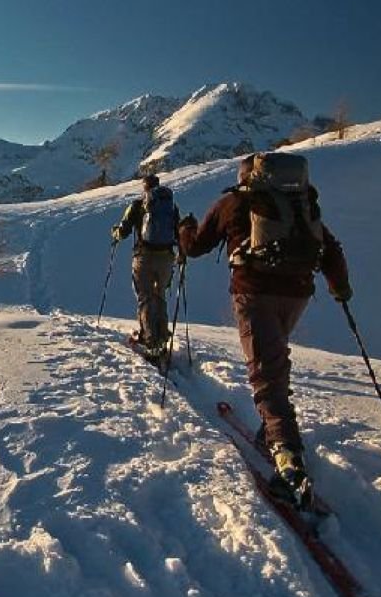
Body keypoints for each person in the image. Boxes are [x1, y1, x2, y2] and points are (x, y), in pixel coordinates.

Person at [178, 152, 352, 507]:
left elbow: (196, 247)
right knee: (273, 362)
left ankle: (289, 464)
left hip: (254, 293)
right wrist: (340, 289)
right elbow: (329, 247)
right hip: (298, 293)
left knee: (266, 374)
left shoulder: (234, 202)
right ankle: (271, 432)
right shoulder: (300, 205)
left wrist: (184, 230)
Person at [111, 174, 181, 361]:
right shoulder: (171, 206)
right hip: (166, 258)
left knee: (145, 298)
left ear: (144, 188)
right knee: (160, 296)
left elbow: (123, 231)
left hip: (144, 257)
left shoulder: (137, 205)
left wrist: (115, 233)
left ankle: (150, 341)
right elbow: (178, 231)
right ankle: (162, 337)